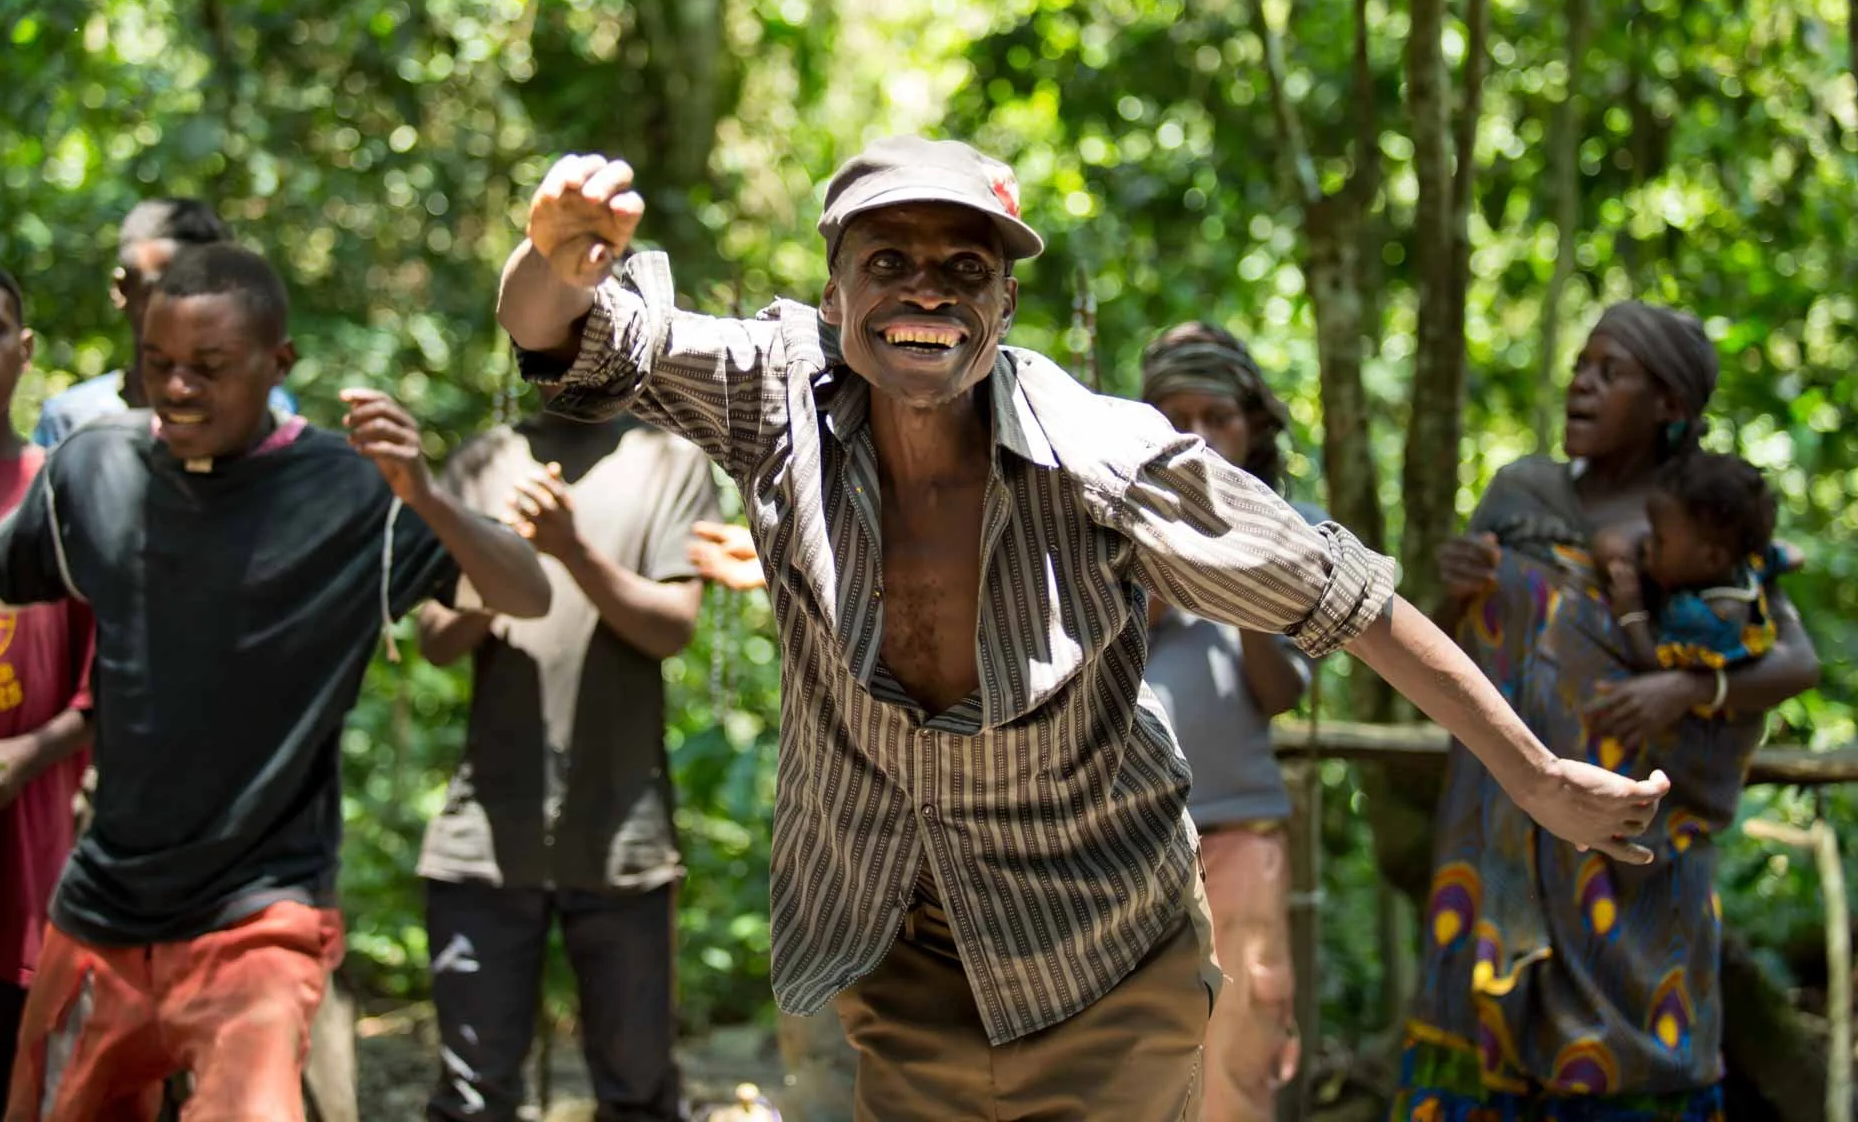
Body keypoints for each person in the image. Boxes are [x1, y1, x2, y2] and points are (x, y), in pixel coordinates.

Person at [496, 138, 1666, 1120]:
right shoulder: (773, 394)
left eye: (964, 269)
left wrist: (1537, 775)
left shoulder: (1107, 457)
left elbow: (1347, 597)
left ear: (1005, 303)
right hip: (898, 947)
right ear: (834, 290)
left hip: (1102, 950)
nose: (926, 293)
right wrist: (548, 260)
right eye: (888, 261)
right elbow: (575, 335)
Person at [0, 242, 551, 1120]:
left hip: (261, 917)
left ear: (279, 364)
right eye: (159, 365)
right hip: (102, 911)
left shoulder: (352, 493)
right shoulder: (95, 469)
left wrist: (425, 495)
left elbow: (524, 590)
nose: (178, 389)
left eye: (209, 368)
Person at [1399, 301, 1822, 1121]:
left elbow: (1793, 657)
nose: (1581, 387)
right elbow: (1442, 653)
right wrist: (1451, 595)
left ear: (1670, 405)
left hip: (1636, 852)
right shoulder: (1519, 494)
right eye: (1579, 368)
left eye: (1609, 372)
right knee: (1479, 1052)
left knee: (1638, 1061)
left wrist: (1690, 689)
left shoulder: (1701, 515)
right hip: (1496, 833)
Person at [414, 409, 719, 1122]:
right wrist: (506, 557)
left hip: (622, 836)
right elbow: (434, 639)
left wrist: (571, 548)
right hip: (485, 836)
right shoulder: (483, 462)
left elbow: (670, 626)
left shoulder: (668, 459)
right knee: (471, 1096)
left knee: (640, 1090)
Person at [1138, 321, 1316, 1122]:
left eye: (1218, 417)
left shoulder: (1292, 528)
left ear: (1253, 427)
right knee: (1122, 1050)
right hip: (1118, 835)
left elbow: (1279, 691)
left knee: (1238, 1047)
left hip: (1239, 837)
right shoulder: (1104, 518)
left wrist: (1245, 578)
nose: (1198, 437)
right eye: (1177, 416)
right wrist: (1158, 572)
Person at [0, 259, 94, 1120]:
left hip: (20, 839)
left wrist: (31, 752)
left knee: (6, 1076)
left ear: (24, 349)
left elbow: (104, 682)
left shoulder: (63, 492)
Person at [32, 198, 295, 447]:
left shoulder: (268, 409)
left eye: (205, 290)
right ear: (123, 290)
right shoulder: (73, 419)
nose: (184, 311)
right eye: (163, 289)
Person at [1593, 451, 1796, 681]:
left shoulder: (1707, 619)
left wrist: (1631, 612)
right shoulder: (1745, 562)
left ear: (1712, 560)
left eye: (1659, 541)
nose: (1647, 545)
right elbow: (1783, 556)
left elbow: (1657, 669)